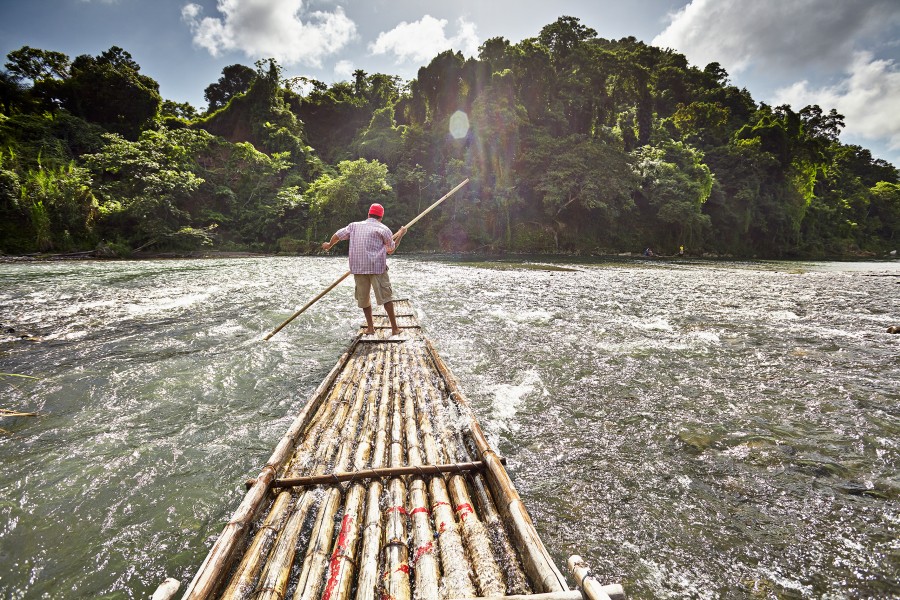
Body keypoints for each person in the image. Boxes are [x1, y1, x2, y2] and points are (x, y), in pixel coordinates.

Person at [322, 203, 408, 336]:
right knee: (386, 298)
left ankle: (370, 328)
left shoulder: (354, 226)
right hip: (377, 269)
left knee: (364, 299)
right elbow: (390, 250)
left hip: (358, 268)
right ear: (381, 217)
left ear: (368, 214)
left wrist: (329, 245)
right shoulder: (384, 229)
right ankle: (395, 329)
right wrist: (401, 234)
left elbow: (338, 235)